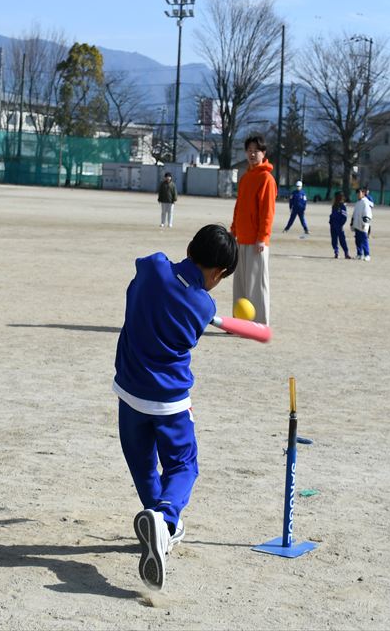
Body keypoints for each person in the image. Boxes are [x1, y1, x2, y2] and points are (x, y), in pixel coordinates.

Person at [113, 224, 238, 591]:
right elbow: (192, 297)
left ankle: (159, 522)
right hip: (169, 402)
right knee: (183, 464)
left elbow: (150, 267)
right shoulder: (203, 306)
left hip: (130, 393)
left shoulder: (153, 267)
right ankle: (166, 521)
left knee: (143, 466)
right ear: (217, 273)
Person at [230, 135, 276, 324]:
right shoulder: (246, 177)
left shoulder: (266, 179)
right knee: (240, 284)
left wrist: (262, 238)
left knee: (257, 284)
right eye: (249, 150)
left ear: (263, 153)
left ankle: (259, 321)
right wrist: (233, 230)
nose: (252, 154)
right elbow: (239, 206)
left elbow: (268, 212)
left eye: (256, 151)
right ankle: (239, 321)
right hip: (241, 238)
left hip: (257, 241)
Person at [351, 185, 374, 261]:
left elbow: (367, 214)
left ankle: (367, 255)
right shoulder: (358, 202)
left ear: (363, 193)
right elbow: (354, 213)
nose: (358, 195)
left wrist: (365, 223)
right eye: (357, 193)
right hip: (357, 224)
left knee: (364, 240)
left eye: (359, 193)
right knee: (357, 240)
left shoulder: (365, 202)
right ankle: (359, 254)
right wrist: (352, 222)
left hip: (363, 225)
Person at [329, 191, 350, 259]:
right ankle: (336, 252)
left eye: (335, 197)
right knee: (334, 240)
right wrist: (331, 221)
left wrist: (341, 225)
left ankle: (346, 253)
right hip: (333, 225)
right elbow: (333, 215)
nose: (334, 198)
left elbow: (344, 217)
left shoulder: (342, 206)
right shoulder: (334, 206)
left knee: (342, 240)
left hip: (339, 226)